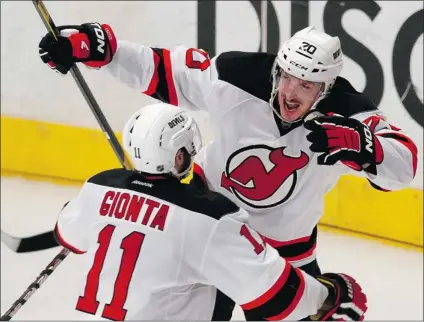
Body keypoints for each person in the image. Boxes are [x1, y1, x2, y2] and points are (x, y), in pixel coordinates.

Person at [39, 22, 415, 319]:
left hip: (286, 250)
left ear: (327, 86)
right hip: (207, 227)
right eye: (285, 76)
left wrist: (366, 147)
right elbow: (163, 70)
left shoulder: (349, 112)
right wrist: (102, 50)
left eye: (306, 84)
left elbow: (404, 165)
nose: (290, 92)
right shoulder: (239, 73)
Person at [54, 102, 366, 321]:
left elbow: (68, 234)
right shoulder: (207, 217)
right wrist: (330, 295)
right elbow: (275, 293)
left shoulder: (99, 188)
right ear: (179, 155)